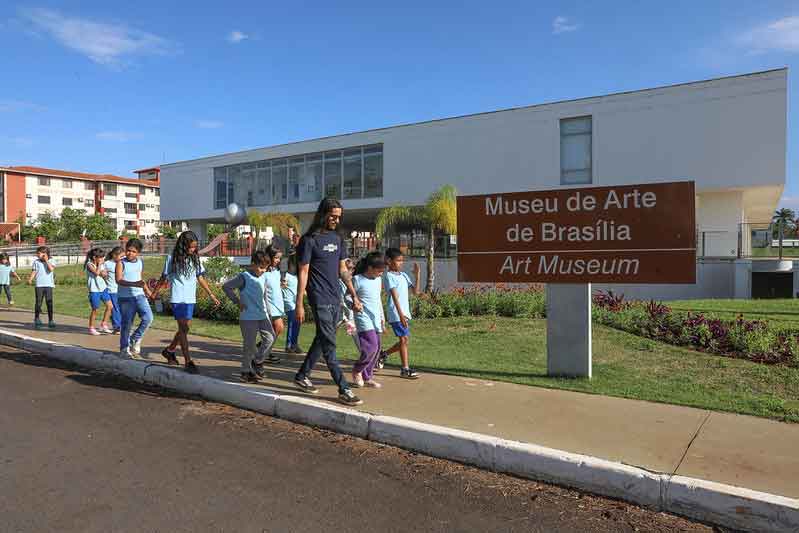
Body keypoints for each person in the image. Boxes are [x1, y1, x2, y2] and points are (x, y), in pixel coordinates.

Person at [293, 197, 364, 406]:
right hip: (319, 297)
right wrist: (299, 303)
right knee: (329, 344)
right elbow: (303, 272)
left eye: (338, 217)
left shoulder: (338, 238)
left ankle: (301, 375)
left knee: (322, 338)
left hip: (336, 297)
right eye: (332, 216)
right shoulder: (309, 240)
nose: (336, 220)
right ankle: (344, 388)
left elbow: (343, 269)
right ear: (323, 214)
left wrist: (353, 295)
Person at [156, 231, 220, 370]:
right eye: (190, 247)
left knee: (184, 329)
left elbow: (200, 277)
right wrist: (154, 293)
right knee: (184, 329)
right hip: (177, 297)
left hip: (190, 298)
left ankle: (170, 351)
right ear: (183, 245)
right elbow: (163, 277)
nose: (193, 249)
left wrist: (211, 294)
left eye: (194, 247)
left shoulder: (195, 258)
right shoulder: (171, 258)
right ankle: (188, 361)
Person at [223, 250, 276, 383]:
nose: (263, 270)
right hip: (248, 317)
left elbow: (264, 296)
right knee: (249, 345)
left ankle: (257, 361)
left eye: (266, 267)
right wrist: (237, 302)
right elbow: (226, 287)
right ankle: (245, 372)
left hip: (263, 315)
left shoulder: (263, 277)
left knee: (270, 338)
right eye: (261, 267)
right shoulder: (244, 277)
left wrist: (269, 312)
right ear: (253, 264)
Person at [378, 248, 421, 379]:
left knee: (404, 340)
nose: (401, 263)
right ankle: (405, 369)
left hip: (404, 313)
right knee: (403, 339)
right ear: (389, 261)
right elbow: (395, 297)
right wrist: (401, 316)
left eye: (402, 260)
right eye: (398, 260)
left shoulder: (403, 275)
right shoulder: (388, 276)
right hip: (396, 313)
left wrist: (417, 275)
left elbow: (415, 292)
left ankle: (383, 354)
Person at [350, 252, 386, 389]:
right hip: (363, 317)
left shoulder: (378, 280)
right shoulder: (357, 280)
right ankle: (357, 370)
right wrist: (354, 303)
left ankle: (367, 376)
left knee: (377, 350)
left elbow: (377, 300)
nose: (381, 274)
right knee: (370, 347)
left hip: (376, 318)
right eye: (379, 271)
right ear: (370, 267)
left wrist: (382, 318)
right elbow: (348, 297)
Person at [116, 239, 154, 359]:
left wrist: (148, 291)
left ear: (138, 252)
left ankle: (135, 338)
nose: (129, 253)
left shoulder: (139, 262)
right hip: (125, 298)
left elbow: (140, 279)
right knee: (127, 324)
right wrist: (134, 284)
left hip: (139, 296)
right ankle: (124, 349)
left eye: (133, 251)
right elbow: (119, 280)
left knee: (148, 318)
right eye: (128, 250)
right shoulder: (121, 263)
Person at [84, 247, 114, 335]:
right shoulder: (89, 265)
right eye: (100, 257)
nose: (102, 259)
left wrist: (104, 273)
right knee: (95, 309)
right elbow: (97, 273)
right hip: (94, 290)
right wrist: (100, 265)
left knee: (110, 306)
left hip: (103, 289)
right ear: (94, 257)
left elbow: (104, 274)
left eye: (103, 257)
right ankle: (91, 327)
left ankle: (104, 324)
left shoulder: (101, 264)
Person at [264, 244, 284, 363]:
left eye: (279, 258)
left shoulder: (275, 270)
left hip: (277, 304)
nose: (278, 260)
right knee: (278, 328)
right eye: (276, 257)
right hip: (269, 305)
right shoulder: (264, 271)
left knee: (275, 330)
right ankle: (264, 352)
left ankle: (265, 350)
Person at [28, 246, 56, 328]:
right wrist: (30, 279)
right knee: (38, 302)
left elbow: (51, 269)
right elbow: (34, 271)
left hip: (48, 285)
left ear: (45, 254)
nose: (37, 255)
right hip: (39, 285)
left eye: (39, 253)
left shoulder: (52, 260)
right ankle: (36, 318)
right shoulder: (36, 262)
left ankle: (51, 320)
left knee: (49, 303)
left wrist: (46, 260)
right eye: (37, 253)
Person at [282, 252, 302, 353]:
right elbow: (281, 283)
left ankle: (294, 344)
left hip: (296, 304)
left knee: (298, 322)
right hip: (289, 304)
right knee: (292, 323)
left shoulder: (298, 277)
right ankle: (289, 345)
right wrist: (282, 283)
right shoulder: (286, 275)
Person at [104, 247, 124, 333]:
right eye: (121, 256)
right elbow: (102, 273)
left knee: (120, 309)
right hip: (112, 290)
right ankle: (117, 327)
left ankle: (119, 325)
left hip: (121, 290)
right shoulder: (107, 264)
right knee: (115, 309)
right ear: (114, 255)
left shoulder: (122, 263)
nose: (123, 258)